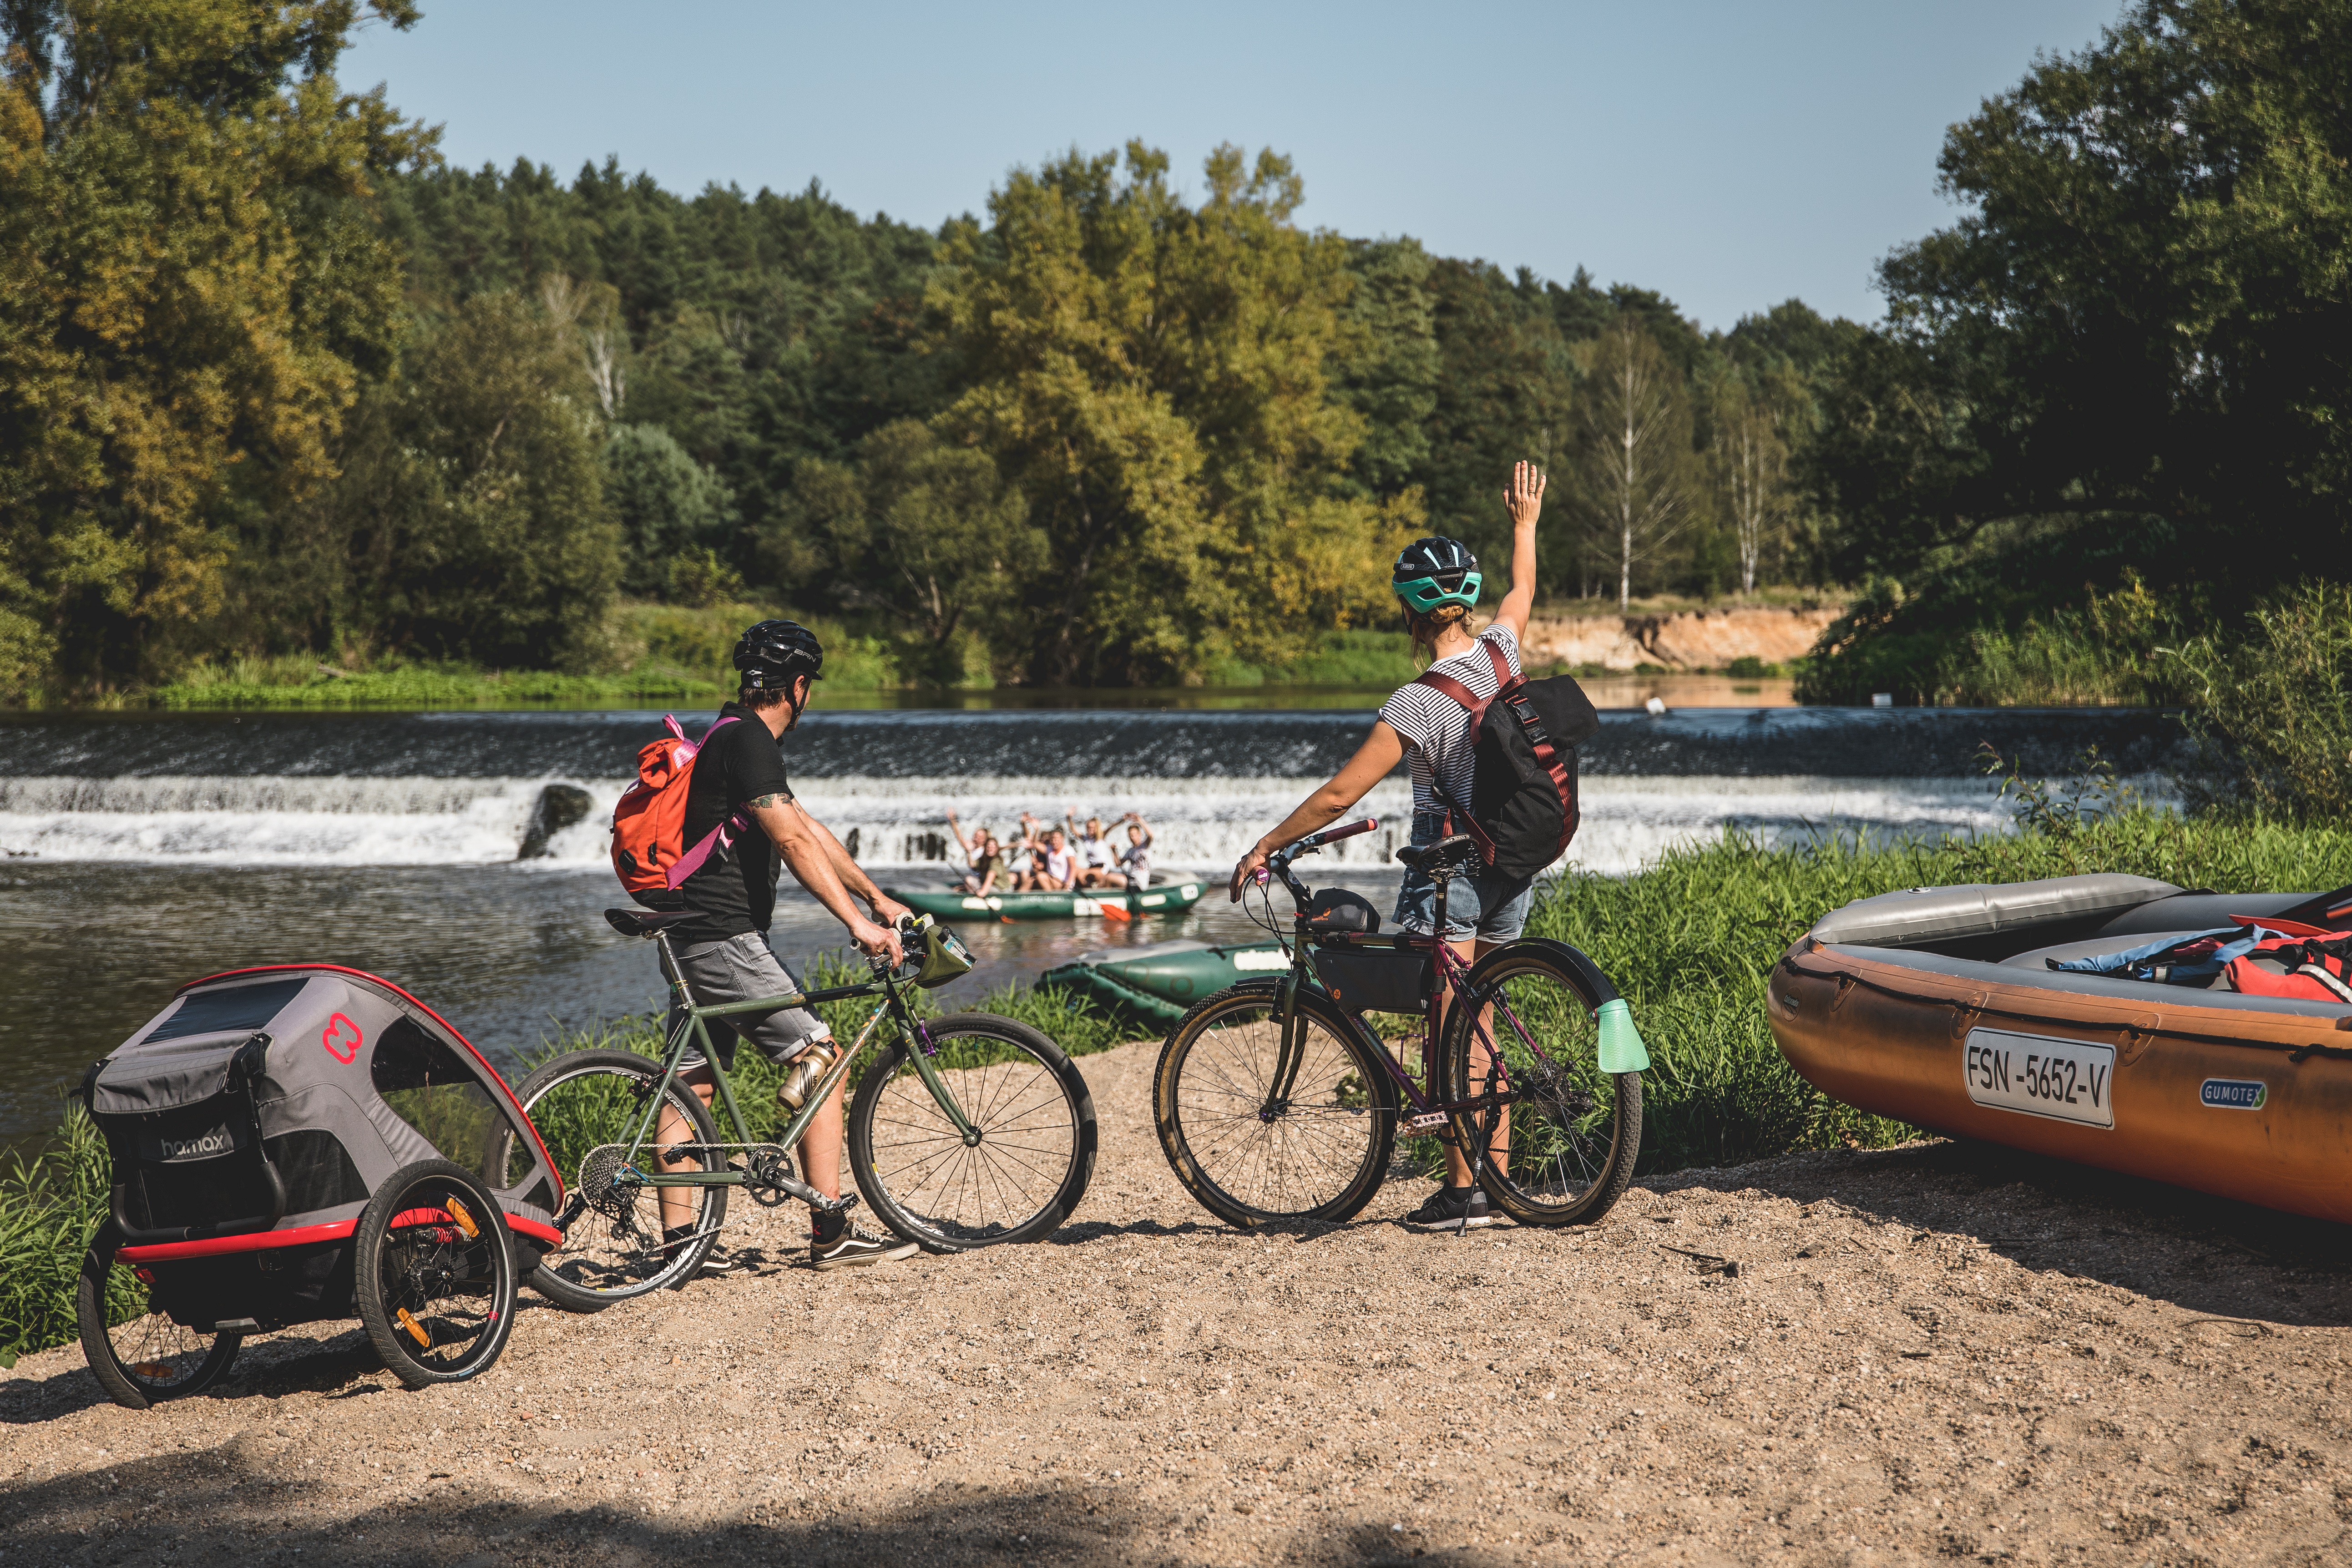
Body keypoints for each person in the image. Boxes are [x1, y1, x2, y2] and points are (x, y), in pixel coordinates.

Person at [1227, 462, 1547, 1232]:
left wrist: (1265, 846)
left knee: (1451, 1034)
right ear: (1464, 603)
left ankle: (1462, 1193)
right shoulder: (1501, 653)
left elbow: (1340, 795)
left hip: (1453, 877)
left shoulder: (1415, 701)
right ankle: (1496, 1186)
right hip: (1516, 863)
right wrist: (1523, 526)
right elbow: (1521, 594)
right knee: (1484, 1024)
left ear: (1406, 612)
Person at [657, 619, 921, 1272]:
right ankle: (830, 1230)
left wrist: (876, 897)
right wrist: (858, 927)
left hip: (691, 935)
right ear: (798, 687)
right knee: (824, 1057)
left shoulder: (728, 734)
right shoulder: (750, 740)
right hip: (724, 938)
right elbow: (794, 844)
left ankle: (680, 1249)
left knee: (690, 1085)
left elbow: (806, 824)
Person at [945, 812, 1004, 895]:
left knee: (968, 880)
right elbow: (960, 837)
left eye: (980, 837)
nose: (976, 837)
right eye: (975, 835)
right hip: (976, 879)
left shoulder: (986, 850)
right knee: (964, 883)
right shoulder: (971, 847)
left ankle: (973, 896)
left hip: (983, 879)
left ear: (984, 840)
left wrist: (1019, 844)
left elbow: (1001, 848)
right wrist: (953, 821)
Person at [1102, 812, 1154, 890]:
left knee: (1110, 878)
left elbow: (1151, 835)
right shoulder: (1130, 851)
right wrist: (1113, 851)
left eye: (1134, 835)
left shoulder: (1145, 846)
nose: (1132, 838)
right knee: (1107, 877)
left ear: (1140, 835)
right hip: (1131, 878)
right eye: (1130, 835)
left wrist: (1140, 821)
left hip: (1139, 882)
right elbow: (1118, 864)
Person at [1067, 814, 1121, 888]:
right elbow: (1075, 832)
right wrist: (1069, 817)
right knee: (1074, 871)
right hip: (1092, 868)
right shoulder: (1087, 839)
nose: (1090, 830)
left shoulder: (1101, 837)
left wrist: (1122, 820)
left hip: (1102, 868)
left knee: (1081, 875)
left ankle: (1092, 892)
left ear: (1097, 828)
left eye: (1093, 828)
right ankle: (1084, 890)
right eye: (1088, 828)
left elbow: (1111, 827)